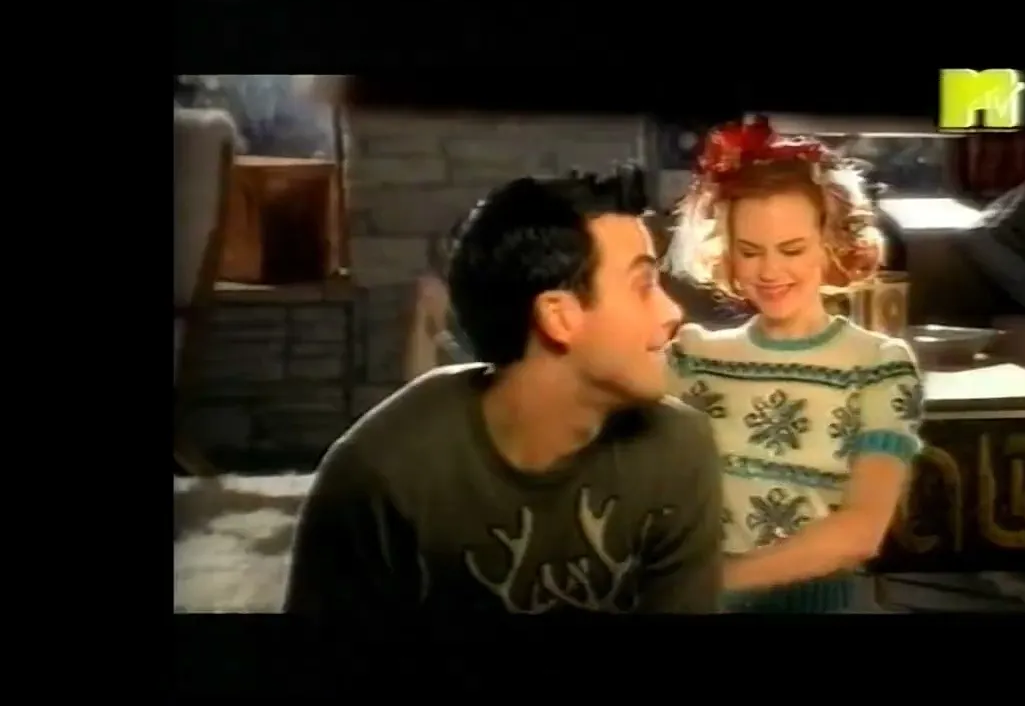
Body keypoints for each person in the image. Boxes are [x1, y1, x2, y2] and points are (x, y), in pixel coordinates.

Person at [285, 167, 724, 615]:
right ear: (559, 317)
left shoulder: (680, 450)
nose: (673, 312)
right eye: (643, 285)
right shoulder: (380, 474)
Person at [664, 116, 924, 613]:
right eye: (750, 251)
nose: (769, 271)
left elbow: (862, 531)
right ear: (727, 252)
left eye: (792, 249)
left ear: (831, 244)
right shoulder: (694, 356)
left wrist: (717, 582)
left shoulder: (879, 364)